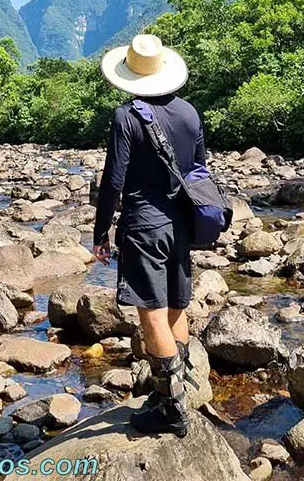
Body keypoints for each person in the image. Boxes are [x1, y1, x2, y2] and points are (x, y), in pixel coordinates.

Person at [93, 34, 205, 438]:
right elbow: (198, 172)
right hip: (180, 224)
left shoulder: (127, 116)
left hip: (143, 225)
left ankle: (171, 409)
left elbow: (113, 182)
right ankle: (174, 393)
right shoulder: (190, 113)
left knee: (151, 312)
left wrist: (101, 230)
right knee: (177, 304)